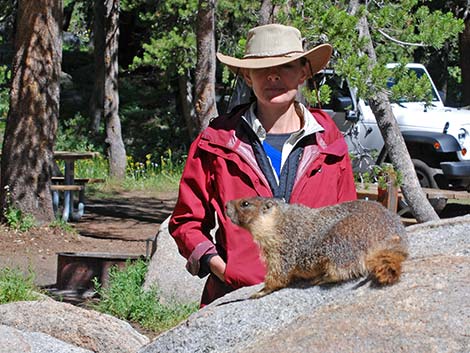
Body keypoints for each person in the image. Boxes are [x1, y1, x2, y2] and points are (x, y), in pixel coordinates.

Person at [169, 23, 357, 307]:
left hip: (314, 305)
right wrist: (223, 269)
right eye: (262, 68)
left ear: (304, 72)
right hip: (235, 300)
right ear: (246, 75)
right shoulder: (216, 143)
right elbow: (186, 223)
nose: (273, 76)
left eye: (286, 66)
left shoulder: (330, 145)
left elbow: (349, 225)